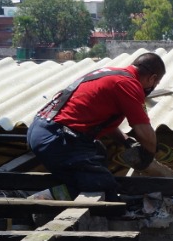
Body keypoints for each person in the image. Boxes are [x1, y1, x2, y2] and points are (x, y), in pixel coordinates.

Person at [27, 52, 165, 200]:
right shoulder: (128, 84)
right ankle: (40, 200)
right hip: (57, 138)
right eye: (154, 85)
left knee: (99, 152)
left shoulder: (109, 74)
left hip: (43, 131)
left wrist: (126, 140)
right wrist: (148, 155)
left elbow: (102, 120)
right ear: (153, 78)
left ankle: (66, 190)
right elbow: (144, 130)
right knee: (102, 185)